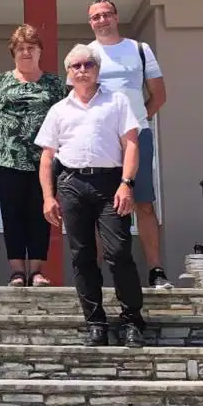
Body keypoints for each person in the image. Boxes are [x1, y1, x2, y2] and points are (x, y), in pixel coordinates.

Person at [36, 43, 146, 348]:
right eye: (76, 66)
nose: (82, 70)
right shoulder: (59, 110)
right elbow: (47, 157)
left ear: (97, 69)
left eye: (88, 65)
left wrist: (126, 183)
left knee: (119, 252)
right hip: (72, 184)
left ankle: (132, 321)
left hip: (111, 183)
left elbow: (131, 144)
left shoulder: (117, 101)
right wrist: (48, 197)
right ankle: (95, 323)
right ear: (68, 73)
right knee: (82, 256)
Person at [86, 0, 171, 289]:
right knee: (98, 208)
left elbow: (158, 95)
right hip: (100, 139)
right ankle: (95, 276)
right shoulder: (87, 54)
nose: (102, 20)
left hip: (137, 137)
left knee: (143, 203)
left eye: (106, 14)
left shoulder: (139, 49)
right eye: (96, 17)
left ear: (116, 17)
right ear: (91, 23)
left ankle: (156, 271)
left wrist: (136, 121)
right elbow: (79, 96)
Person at [0, 24, 66, 287]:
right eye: (20, 48)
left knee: (41, 214)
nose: (26, 52)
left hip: (45, 160)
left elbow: (65, 119)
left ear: (40, 51)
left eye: (31, 47)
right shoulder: (0, 82)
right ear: (13, 53)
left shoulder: (55, 84)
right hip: (8, 160)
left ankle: (36, 271)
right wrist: (7, 140)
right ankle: (17, 271)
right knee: (12, 214)